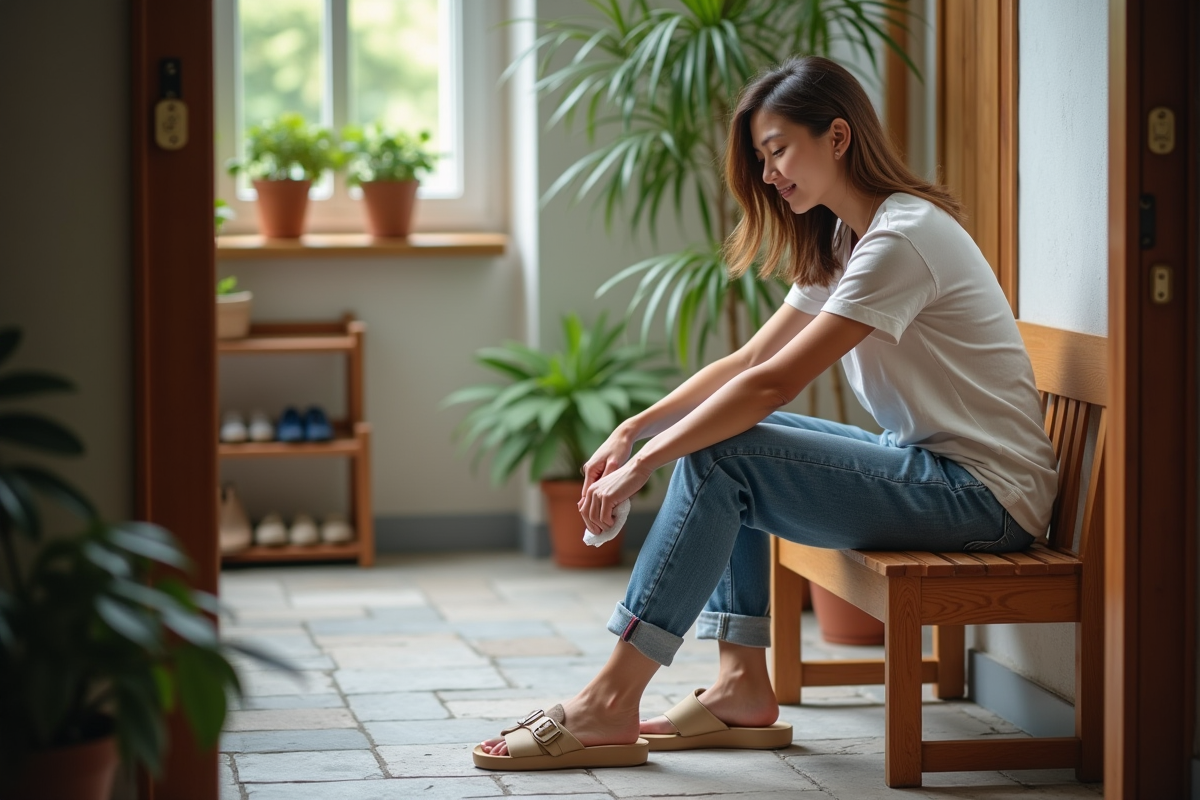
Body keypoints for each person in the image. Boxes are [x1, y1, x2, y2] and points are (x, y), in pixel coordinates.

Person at [473, 55, 1057, 771]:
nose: (770, 172)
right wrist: (634, 430)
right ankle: (742, 683)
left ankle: (610, 700)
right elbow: (747, 364)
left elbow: (774, 384)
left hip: (982, 500)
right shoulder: (850, 237)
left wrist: (644, 468)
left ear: (837, 137)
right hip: (938, 475)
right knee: (727, 436)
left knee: (724, 450)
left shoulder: (902, 239)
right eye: (761, 156)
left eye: (779, 149)